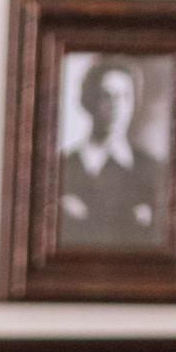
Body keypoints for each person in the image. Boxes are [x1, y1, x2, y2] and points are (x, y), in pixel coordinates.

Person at [56, 57, 167, 255]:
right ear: (89, 101)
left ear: (135, 103)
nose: (117, 105)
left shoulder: (153, 169)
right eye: (106, 96)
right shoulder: (62, 167)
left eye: (125, 96)